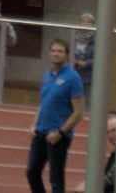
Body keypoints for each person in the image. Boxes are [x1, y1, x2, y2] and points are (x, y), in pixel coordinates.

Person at [26, 39, 84, 193]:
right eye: (53, 51)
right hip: (41, 132)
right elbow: (43, 103)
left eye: (60, 51)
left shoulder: (73, 78)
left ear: (66, 55)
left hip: (57, 135)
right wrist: (34, 124)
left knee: (56, 178)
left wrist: (60, 132)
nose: (56, 54)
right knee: (32, 172)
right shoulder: (47, 76)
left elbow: (78, 113)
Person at [73, 12, 95, 106]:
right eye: (83, 22)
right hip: (75, 73)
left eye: (88, 23)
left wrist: (86, 63)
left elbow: (99, 59)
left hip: (89, 75)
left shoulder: (96, 39)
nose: (85, 24)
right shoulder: (75, 37)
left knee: (87, 101)